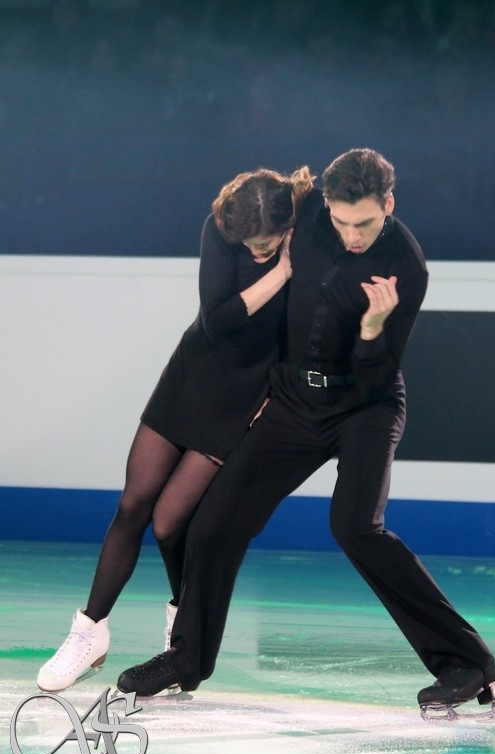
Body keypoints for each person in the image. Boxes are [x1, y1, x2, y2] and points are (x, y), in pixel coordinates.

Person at [117, 148, 495, 720]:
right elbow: (242, 215)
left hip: (365, 405)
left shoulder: (406, 265)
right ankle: (187, 658)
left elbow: (378, 375)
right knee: (215, 522)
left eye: (365, 223)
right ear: (325, 204)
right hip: (295, 401)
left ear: (389, 204)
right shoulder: (304, 214)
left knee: (355, 527)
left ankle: (467, 663)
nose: (352, 236)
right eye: (342, 222)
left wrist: (372, 329)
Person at [37, 166, 315, 693]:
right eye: (249, 243)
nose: (255, 250)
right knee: (133, 503)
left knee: (169, 523)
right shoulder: (223, 227)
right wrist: (281, 270)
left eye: (265, 242)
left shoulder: (308, 233)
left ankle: (182, 632)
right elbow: (218, 320)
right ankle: (89, 631)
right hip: (191, 376)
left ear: (286, 224)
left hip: (241, 399)